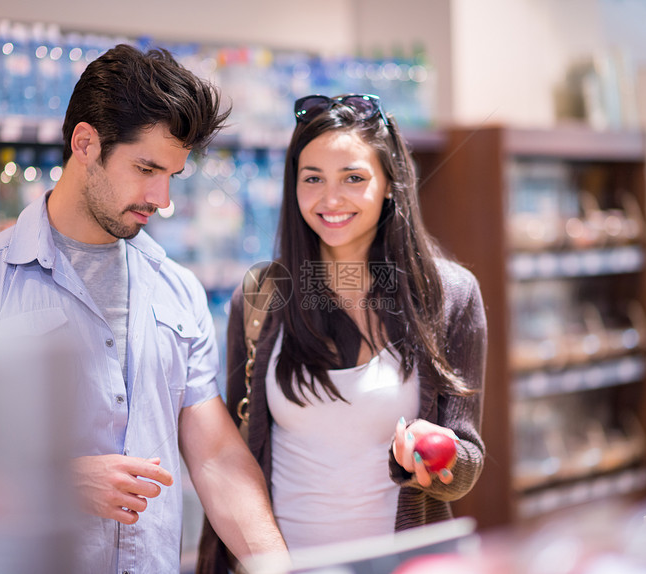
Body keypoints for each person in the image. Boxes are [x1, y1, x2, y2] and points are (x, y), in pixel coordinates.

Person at [0, 44, 286, 573]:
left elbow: (216, 458)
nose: (162, 197)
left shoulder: (178, 289)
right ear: (85, 143)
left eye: (172, 174)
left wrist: (279, 567)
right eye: (146, 168)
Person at [197, 94, 487, 571]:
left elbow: (467, 460)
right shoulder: (261, 296)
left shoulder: (449, 294)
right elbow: (235, 453)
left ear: (390, 183)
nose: (331, 200)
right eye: (313, 179)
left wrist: (438, 454)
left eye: (353, 178)